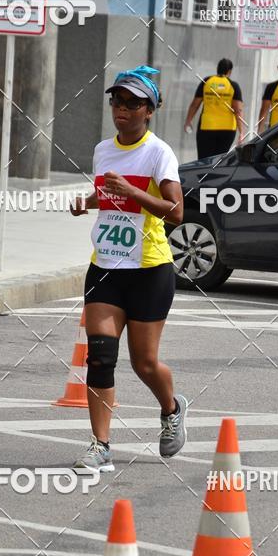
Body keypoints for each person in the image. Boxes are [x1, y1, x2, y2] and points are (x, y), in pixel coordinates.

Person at [69, 65, 188, 472]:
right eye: (117, 101)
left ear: (149, 110)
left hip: (149, 269)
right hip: (105, 266)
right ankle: (100, 445)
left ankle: (171, 408)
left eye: (133, 103)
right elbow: (109, 197)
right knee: (100, 356)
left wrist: (135, 190)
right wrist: (87, 201)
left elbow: (175, 212)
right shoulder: (104, 149)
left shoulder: (159, 153)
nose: (122, 109)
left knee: (144, 363)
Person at [184, 58, 244, 159]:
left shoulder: (206, 82)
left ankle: (204, 175)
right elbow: (238, 110)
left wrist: (188, 121)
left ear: (217, 69)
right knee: (219, 160)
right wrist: (241, 132)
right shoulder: (233, 85)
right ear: (230, 71)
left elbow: (195, 104)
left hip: (207, 127)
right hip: (227, 130)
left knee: (204, 160)